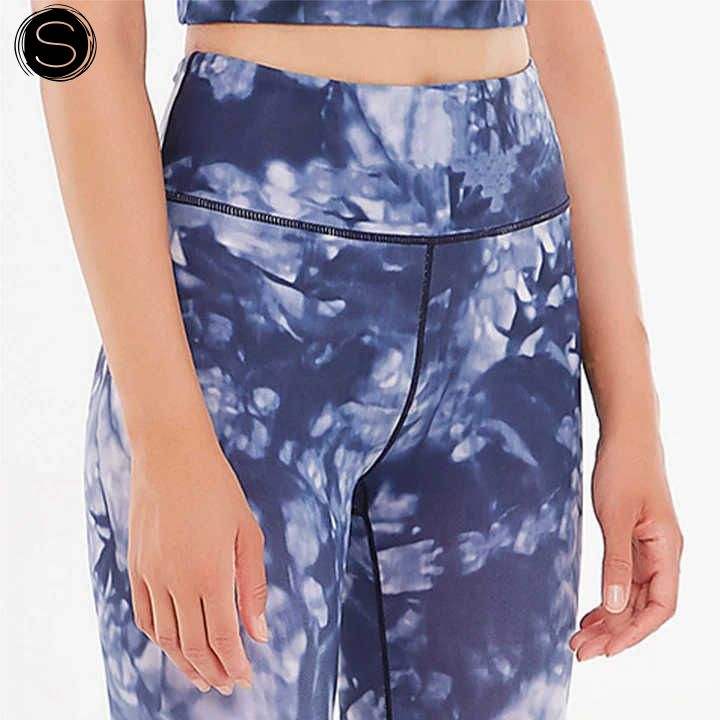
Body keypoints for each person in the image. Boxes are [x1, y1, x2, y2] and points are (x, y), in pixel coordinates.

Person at [36, 1, 683, 718]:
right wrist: (165, 437)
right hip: (250, 310)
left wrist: (634, 411)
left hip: (508, 318)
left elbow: (560, 25)